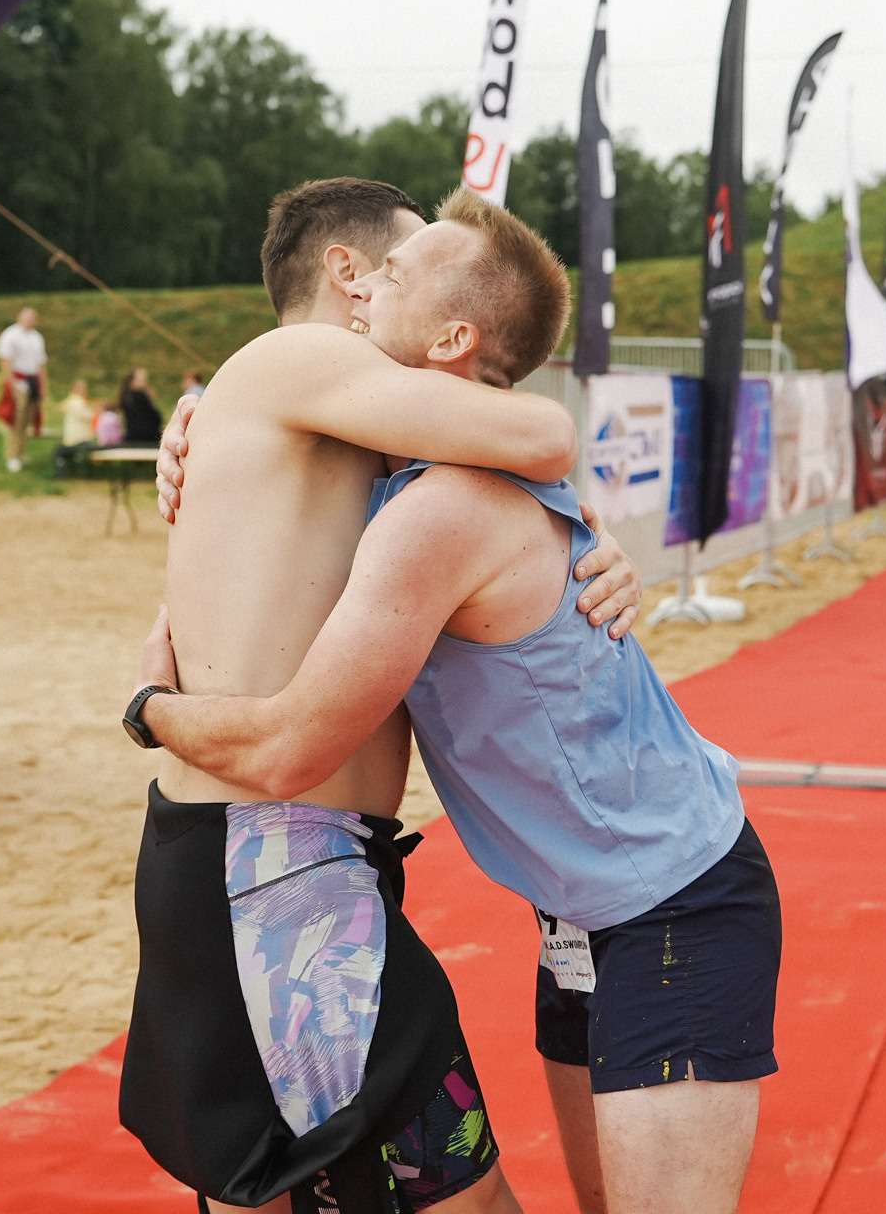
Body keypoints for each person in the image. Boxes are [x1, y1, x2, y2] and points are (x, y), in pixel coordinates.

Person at [145, 192, 779, 1214]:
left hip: (668, 900)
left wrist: (145, 705)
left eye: (399, 273)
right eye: (378, 266)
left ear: (449, 338)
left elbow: (291, 741)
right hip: (537, 908)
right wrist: (205, 424)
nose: (375, 286)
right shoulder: (372, 453)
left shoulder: (437, 500)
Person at [0, 306, 48, 474]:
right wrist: (10, 383)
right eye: (27, 318)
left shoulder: (37, 338)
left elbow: (41, 364)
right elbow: (6, 361)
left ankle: (21, 452)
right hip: (18, 382)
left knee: (27, 420)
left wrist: (43, 386)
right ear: (19, 318)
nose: (30, 321)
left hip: (32, 381)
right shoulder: (10, 335)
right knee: (16, 420)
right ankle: (12, 455)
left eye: (32, 318)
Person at [53, 379, 99, 475]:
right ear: (75, 389)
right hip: (80, 438)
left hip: (72, 438)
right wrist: (96, 413)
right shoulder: (78, 401)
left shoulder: (71, 401)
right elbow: (87, 415)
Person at [119, 368, 165, 446]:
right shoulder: (138, 396)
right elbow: (153, 417)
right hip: (145, 438)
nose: (145, 383)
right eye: (142, 380)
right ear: (133, 381)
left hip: (135, 437)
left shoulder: (127, 396)